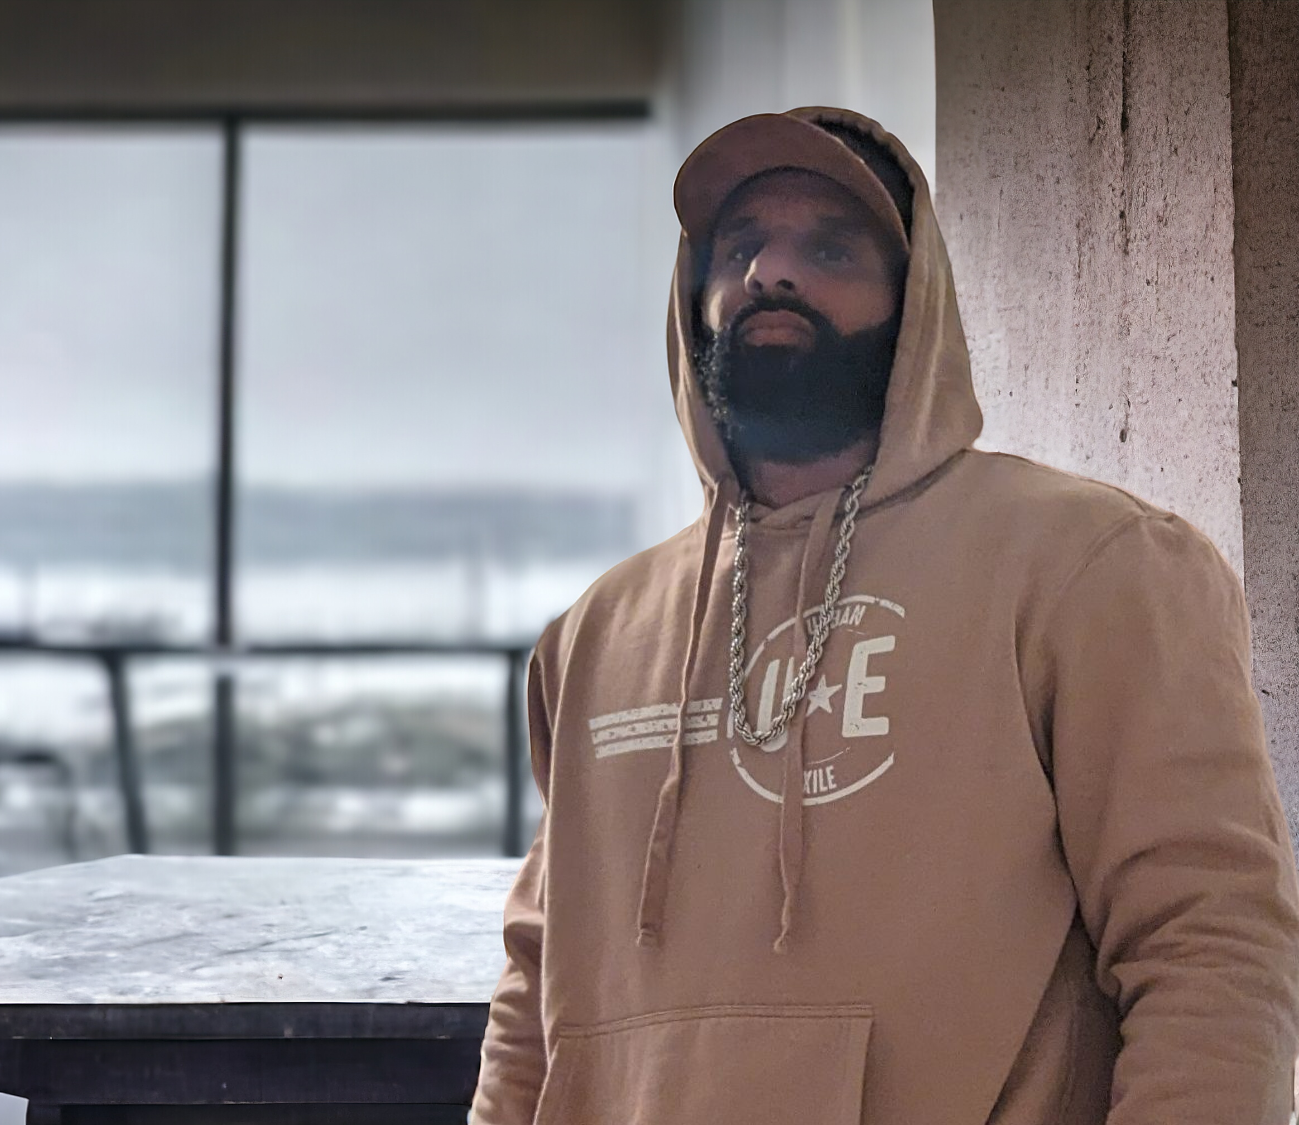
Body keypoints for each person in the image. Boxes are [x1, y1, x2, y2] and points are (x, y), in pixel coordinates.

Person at [471, 107, 1299, 1125]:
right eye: (738, 246)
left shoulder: (1093, 566)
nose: (771, 272)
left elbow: (1211, 951)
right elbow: (533, 990)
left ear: (917, 306)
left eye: (831, 248)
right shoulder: (596, 633)